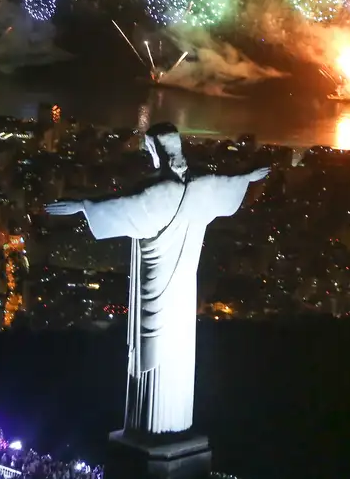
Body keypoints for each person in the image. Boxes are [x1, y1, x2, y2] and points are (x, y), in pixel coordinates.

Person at [45, 123, 268, 436]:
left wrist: (82, 206)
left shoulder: (158, 192)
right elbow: (226, 183)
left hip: (156, 284)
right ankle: (173, 424)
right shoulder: (200, 185)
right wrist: (247, 177)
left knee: (153, 347)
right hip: (183, 289)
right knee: (178, 349)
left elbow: (122, 206)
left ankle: (151, 428)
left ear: (155, 151)